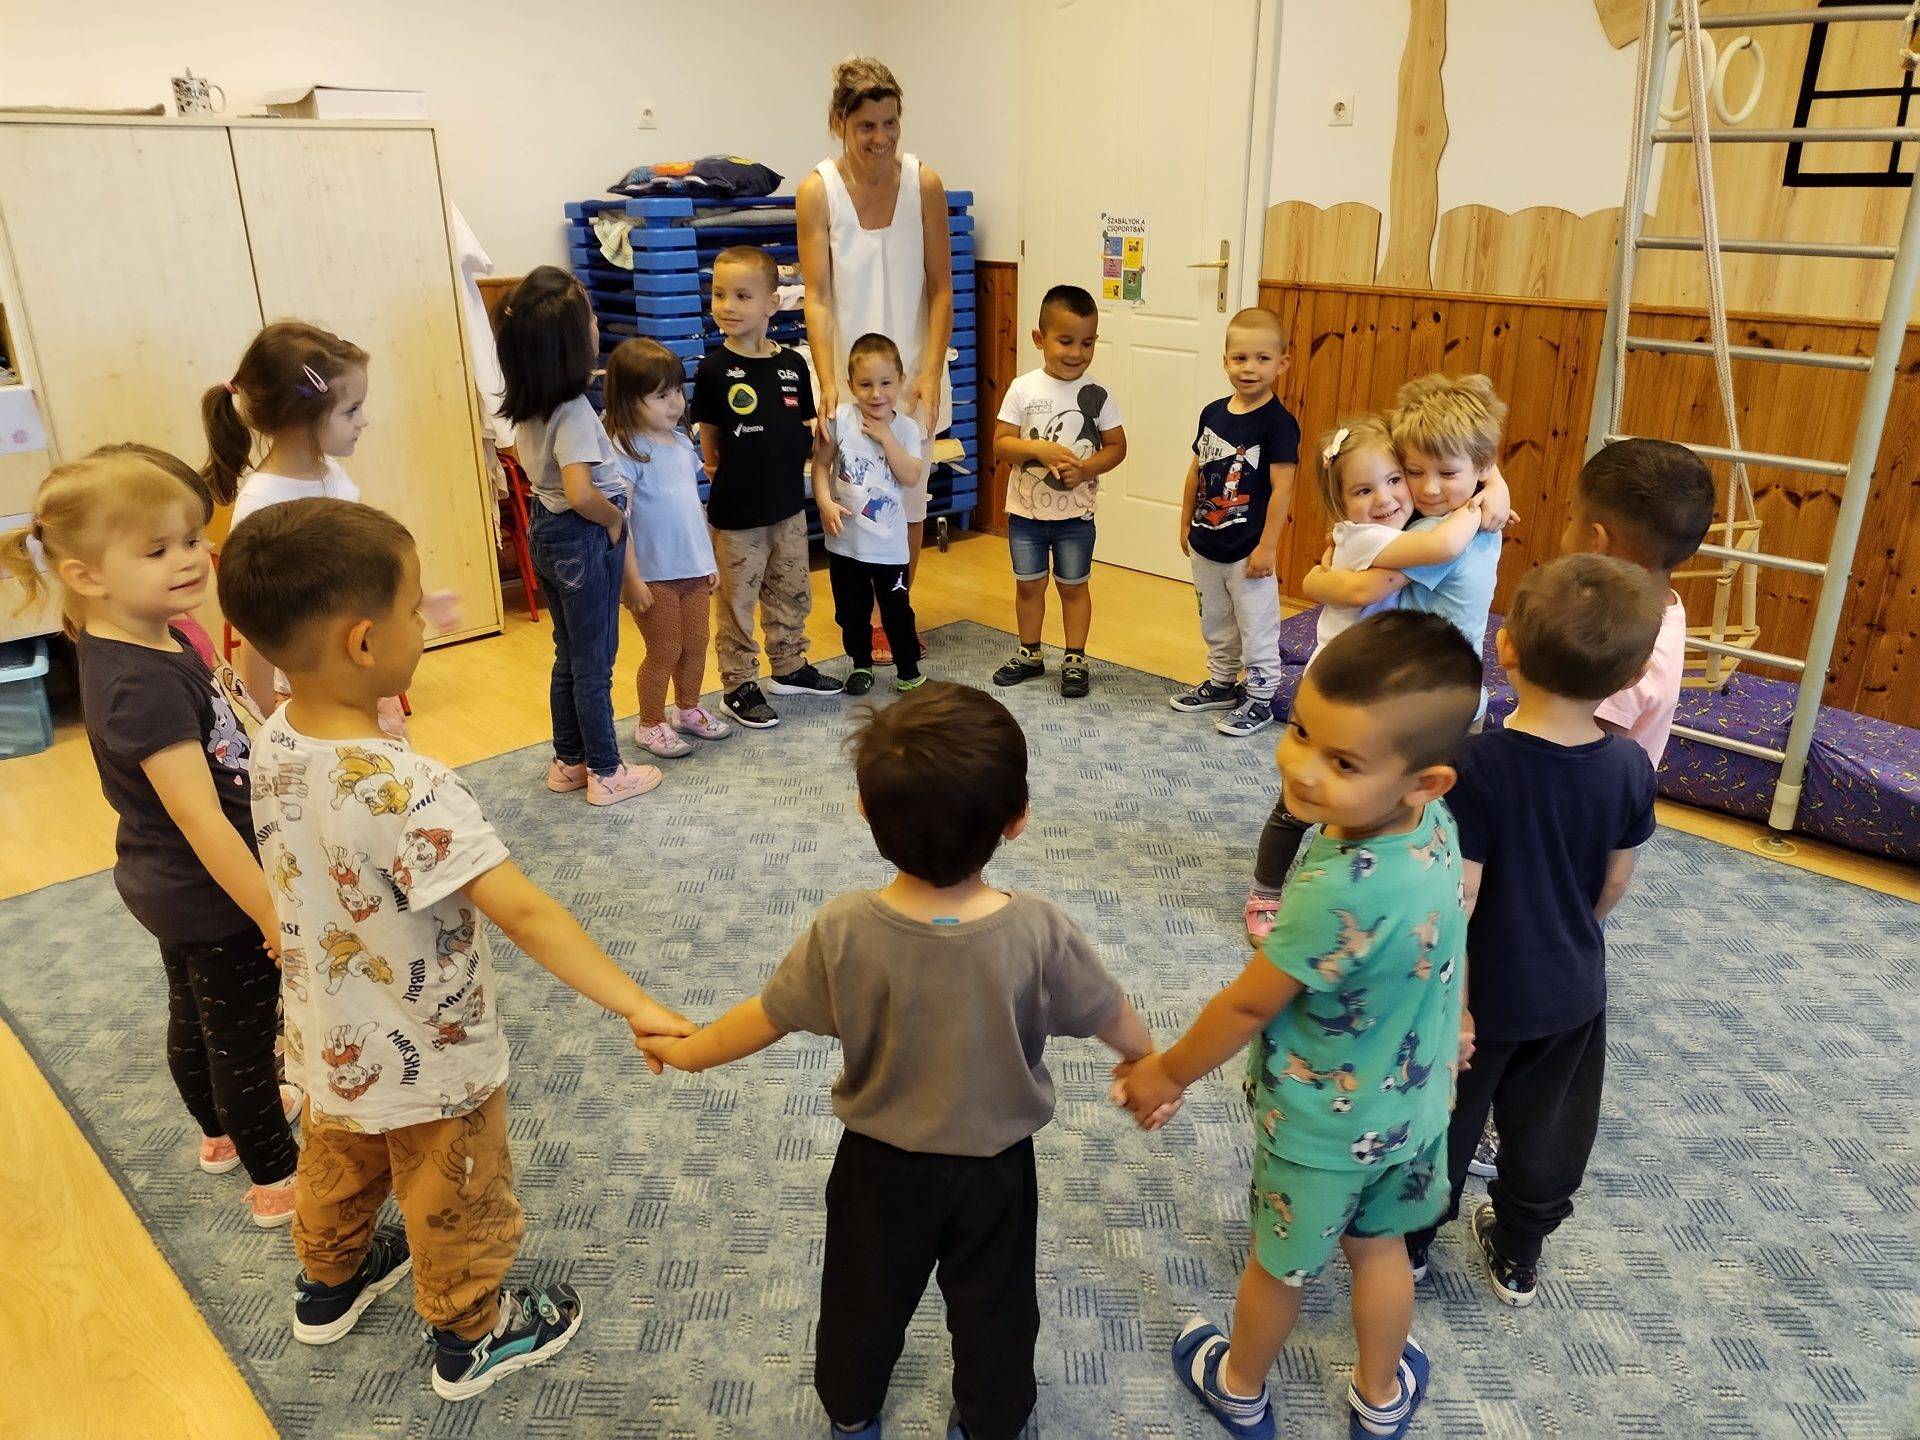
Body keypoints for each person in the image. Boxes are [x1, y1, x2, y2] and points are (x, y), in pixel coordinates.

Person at [217, 497, 694, 1400]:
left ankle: (327, 1283)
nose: (425, 621)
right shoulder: (415, 789)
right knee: (454, 1189)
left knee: (337, 1155)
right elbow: (528, 915)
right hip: (432, 1050)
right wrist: (636, 1002)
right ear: (365, 642)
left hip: (327, 1030)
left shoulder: (272, 735)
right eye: (413, 608)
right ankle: (473, 1331)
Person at [638, 683, 1158, 1440]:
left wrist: (690, 1054)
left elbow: (766, 1017)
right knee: (998, 1308)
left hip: (878, 1169)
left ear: (864, 810)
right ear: (1017, 820)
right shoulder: (1041, 931)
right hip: (995, 1171)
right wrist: (1145, 1062)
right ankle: (990, 1423)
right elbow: (1110, 1013)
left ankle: (851, 1414)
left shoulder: (844, 927)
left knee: (860, 1300)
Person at [1118, 610, 1482, 1440]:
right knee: (1381, 1250)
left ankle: (1239, 1386)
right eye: (1302, 732)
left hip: (1321, 1130)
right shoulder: (1434, 827)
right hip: (1414, 1104)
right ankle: (1380, 1396)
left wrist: (1166, 1071)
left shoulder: (1338, 889)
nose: (1303, 769)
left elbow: (1249, 1004)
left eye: (1342, 761)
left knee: (1280, 1268)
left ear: (1425, 781)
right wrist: (1459, 1014)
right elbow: (1451, 928)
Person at [0, 450, 300, 1226]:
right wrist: (268, 910)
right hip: (212, 892)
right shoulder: (141, 686)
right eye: (158, 549)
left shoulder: (145, 633)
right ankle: (277, 1181)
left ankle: (217, 1135)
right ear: (87, 575)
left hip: (169, 882)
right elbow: (199, 818)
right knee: (241, 1042)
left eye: (193, 538)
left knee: (199, 1016)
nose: (191, 558)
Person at [1402, 555, 1663, 1308]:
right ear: (1631, 676)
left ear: (1505, 646)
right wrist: (1571, 932)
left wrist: (1453, 1001)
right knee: (1550, 1128)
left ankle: (1411, 1245)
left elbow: (1461, 896)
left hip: (1479, 994)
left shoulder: (1474, 764)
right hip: (1572, 988)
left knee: (1445, 1117)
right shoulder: (1629, 766)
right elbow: (1615, 881)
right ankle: (1519, 1253)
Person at [1243, 418, 1488, 936]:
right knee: (1301, 798)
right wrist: (1478, 505)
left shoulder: (1397, 529)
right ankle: (1265, 892)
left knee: (1356, 795)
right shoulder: (1367, 538)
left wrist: (1494, 483)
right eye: (1363, 490)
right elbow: (1435, 552)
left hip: (1370, 689)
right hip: (1338, 688)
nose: (1385, 498)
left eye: (1395, 480)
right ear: (1341, 503)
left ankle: (1342, 883)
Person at [797, 53, 953, 665]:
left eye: (890, 123)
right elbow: (817, 296)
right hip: (847, 373)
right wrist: (828, 380)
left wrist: (931, 372)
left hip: (911, 370)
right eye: (866, 126)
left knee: (909, 498)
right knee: (855, 492)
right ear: (838, 122)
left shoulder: (925, 183)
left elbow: (941, 287)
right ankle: (858, 622)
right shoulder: (818, 191)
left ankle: (897, 614)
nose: (880, 138)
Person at [495, 266, 662, 805]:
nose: (596, 323)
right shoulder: (571, 411)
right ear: (570, 343)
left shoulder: (530, 404)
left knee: (568, 655)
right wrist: (613, 521)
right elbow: (580, 490)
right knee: (595, 663)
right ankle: (607, 773)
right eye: (589, 316)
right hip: (584, 535)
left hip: (548, 530)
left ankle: (569, 761)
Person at [202, 320, 406, 733]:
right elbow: (256, 627)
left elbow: (364, 569)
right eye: (351, 410)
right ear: (300, 418)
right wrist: (262, 718)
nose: (363, 421)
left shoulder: (333, 473)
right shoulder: (263, 502)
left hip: (361, 667)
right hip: (311, 688)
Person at [693, 245, 844, 730]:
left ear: (772, 304)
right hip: (737, 515)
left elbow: (802, 428)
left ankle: (789, 666)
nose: (727, 306)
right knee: (737, 602)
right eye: (719, 294)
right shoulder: (713, 369)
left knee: (791, 590)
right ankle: (737, 685)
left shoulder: (793, 365)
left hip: (788, 508)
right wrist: (717, 467)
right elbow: (710, 440)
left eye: (742, 295)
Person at [989, 285, 1128, 699]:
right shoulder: (1023, 388)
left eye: (1087, 343)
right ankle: (1030, 653)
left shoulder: (1098, 395)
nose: (1076, 353)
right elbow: (1001, 444)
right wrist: (1037, 449)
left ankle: (1075, 658)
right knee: (1029, 585)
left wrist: (1085, 469)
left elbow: (1117, 447)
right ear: (1040, 338)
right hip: (1026, 517)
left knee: (1073, 587)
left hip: (1075, 519)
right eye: (1065, 341)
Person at [1168, 308, 1300, 738]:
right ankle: (1223, 682)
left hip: (1248, 550)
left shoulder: (1279, 425)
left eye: (1262, 359)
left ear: (1282, 363)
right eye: (1240, 358)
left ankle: (1260, 699)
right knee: (1216, 621)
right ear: (1225, 360)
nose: (1249, 368)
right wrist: (1185, 521)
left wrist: (1268, 547)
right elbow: (1196, 470)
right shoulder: (1212, 413)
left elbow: (1282, 489)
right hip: (1206, 543)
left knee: (1256, 625)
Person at [600, 338, 732, 759]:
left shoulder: (680, 444)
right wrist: (630, 580)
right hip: (653, 575)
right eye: (661, 395)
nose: (675, 402)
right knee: (664, 649)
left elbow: (692, 508)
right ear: (628, 399)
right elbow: (619, 521)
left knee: (695, 643)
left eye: (677, 390)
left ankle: (687, 709)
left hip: (692, 568)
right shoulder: (624, 451)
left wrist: (708, 560)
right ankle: (650, 722)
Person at [1564, 437, 1716, 768]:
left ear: (1595, 540)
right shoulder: (1664, 606)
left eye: (1571, 519)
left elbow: (1576, 761)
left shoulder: (1619, 646)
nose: (1567, 531)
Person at [813, 332, 927, 696]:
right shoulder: (840, 420)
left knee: (897, 611)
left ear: (900, 381)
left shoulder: (906, 428)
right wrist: (824, 502)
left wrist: (886, 436)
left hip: (889, 548)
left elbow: (910, 476)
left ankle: (908, 669)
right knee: (851, 612)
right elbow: (820, 465)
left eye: (885, 383)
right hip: (845, 543)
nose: (876, 394)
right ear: (851, 385)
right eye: (865, 385)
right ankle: (860, 664)